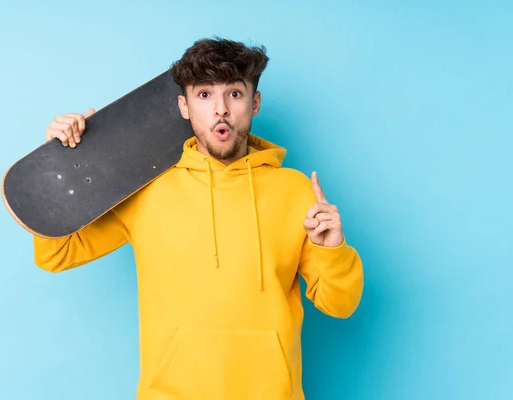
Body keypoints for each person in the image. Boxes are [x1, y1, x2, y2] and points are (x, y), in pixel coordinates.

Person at [34, 37, 364, 400]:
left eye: (234, 95)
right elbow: (56, 254)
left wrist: (334, 249)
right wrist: (58, 164)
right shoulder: (146, 188)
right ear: (184, 106)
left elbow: (340, 304)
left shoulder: (296, 190)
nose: (220, 109)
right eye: (204, 95)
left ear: (254, 103)